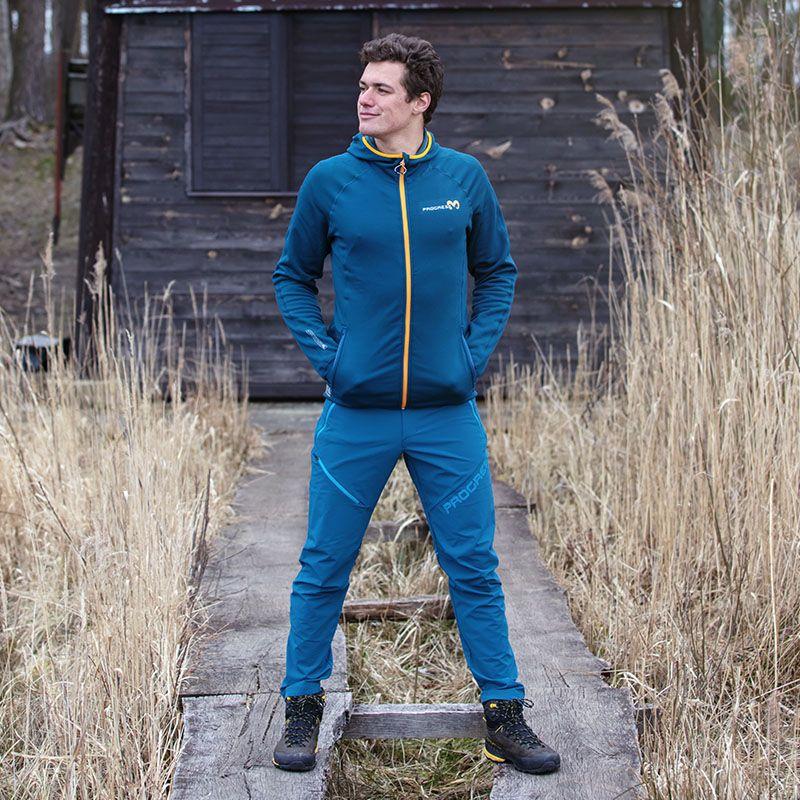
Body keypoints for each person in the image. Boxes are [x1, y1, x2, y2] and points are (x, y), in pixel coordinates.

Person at [270, 32, 560, 776]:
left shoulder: (463, 178)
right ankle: (302, 708)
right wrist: (332, 359)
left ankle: (505, 715)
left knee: (475, 566)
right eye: (362, 86)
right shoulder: (330, 182)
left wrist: (469, 356)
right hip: (356, 413)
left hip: (445, 414)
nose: (364, 98)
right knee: (323, 565)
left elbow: (497, 271)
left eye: (382, 88)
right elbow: (292, 276)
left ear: (420, 101)